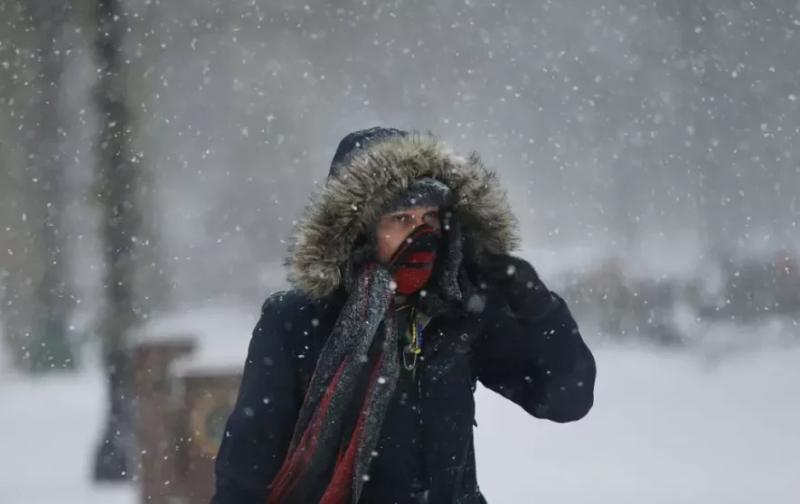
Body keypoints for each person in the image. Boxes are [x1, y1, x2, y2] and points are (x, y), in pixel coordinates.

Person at [212, 127, 596, 504]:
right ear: (359, 229)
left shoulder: (459, 311)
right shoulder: (296, 320)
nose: (421, 234)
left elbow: (566, 399)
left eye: (429, 218)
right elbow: (245, 469)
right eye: (401, 219)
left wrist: (541, 310)